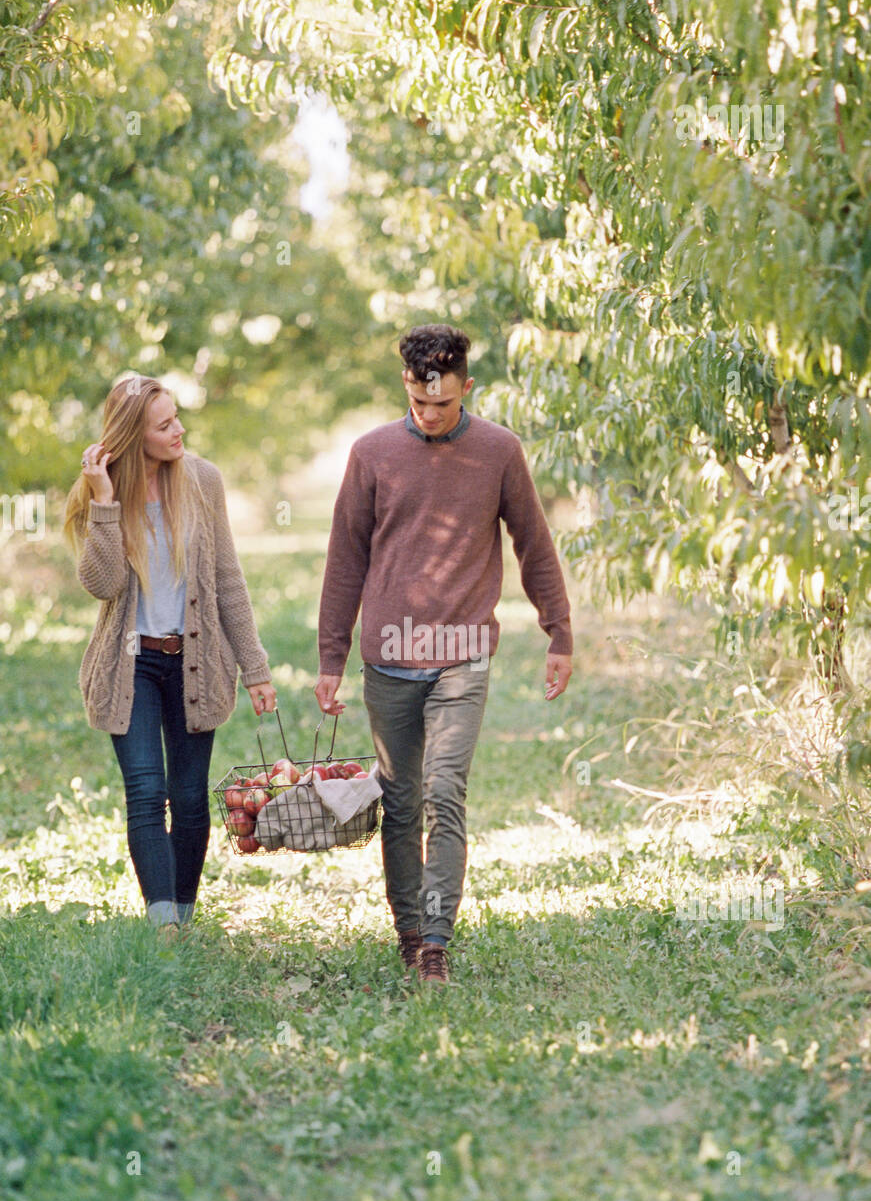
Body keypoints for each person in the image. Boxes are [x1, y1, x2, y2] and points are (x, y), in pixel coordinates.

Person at [315, 324, 573, 985]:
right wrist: (330, 656)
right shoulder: (371, 453)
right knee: (398, 803)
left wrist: (558, 632)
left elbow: (533, 545)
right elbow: (346, 556)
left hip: (462, 655)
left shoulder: (497, 451)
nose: (430, 416)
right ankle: (407, 932)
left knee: (443, 793)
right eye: (419, 402)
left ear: (467, 389)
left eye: (444, 404)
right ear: (406, 385)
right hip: (389, 657)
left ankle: (435, 938)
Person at [63, 375, 276, 938]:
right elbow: (103, 584)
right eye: (164, 424)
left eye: (177, 417)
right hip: (129, 664)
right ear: (135, 435)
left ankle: (183, 911)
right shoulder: (100, 488)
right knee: (145, 791)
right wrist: (106, 504)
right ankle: (164, 926)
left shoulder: (204, 481)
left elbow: (227, 579)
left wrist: (255, 668)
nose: (179, 429)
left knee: (187, 797)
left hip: (194, 663)